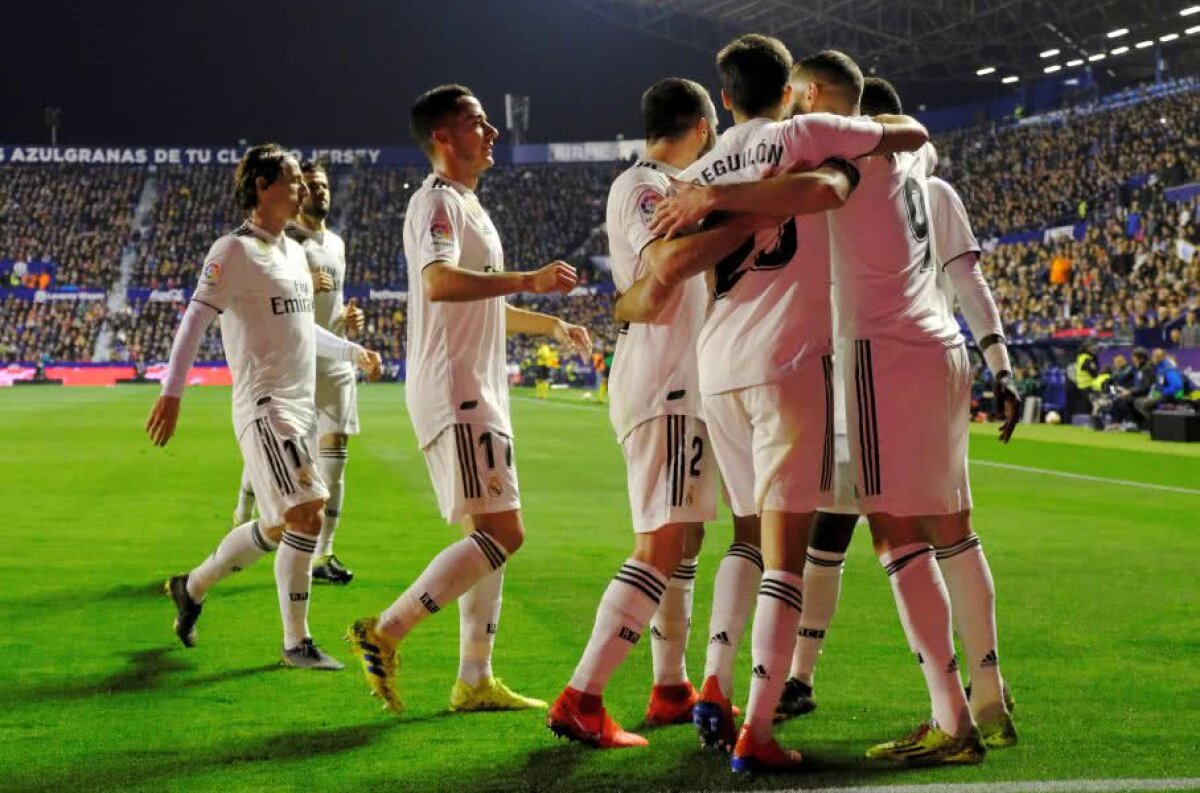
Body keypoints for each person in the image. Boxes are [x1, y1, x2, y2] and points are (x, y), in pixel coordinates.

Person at [634, 36, 930, 772]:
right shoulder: (804, 138)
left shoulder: (695, 172)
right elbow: (888, 146)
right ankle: (757, 729)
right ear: (791, 90)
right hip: (789, 360)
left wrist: (718, 210)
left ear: (724, 99)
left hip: (717, 366)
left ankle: (716, 680)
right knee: (783, 555)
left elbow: (663, 269)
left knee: (745, 535)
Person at [549, 77, 784, 749]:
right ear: (705, 127)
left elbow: (650, 290)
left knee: (685, 541)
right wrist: (752, 217)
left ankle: (671, 685)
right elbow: (670, 264)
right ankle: (582, 697)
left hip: (687, 383)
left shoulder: (673, 184)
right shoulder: (645, 184)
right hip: (669, 387)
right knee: (659, 544)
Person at [344, 85, 592, 716]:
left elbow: (487, 302)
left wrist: (549, 322)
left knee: (488, 532)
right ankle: (386, 630)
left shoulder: (470, 206)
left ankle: (475, 679)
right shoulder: (434, 202)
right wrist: (531, 277)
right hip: (457, 388)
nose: (492, 133)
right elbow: (441, 282)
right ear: (442, 138)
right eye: (477, 123)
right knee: (505, 533)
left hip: (477, 389)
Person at [147, 143, 382, 669]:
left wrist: (352, 350)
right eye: (293, 179)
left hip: (299, 408)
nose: (301, 188)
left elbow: (306, 330)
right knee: (308, 512)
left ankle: (193, 586)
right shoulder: (231, 252)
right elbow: (193, 323)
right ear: (262, 186)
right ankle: (295, 643)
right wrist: (171, 392)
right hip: (264, 406)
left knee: (280, 527)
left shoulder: (295, 253)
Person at [233, 160, 365, 585]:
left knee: (336, 461)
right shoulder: (283, 243)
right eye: (310, 185)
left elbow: (331, 307)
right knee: (283, 452)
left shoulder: (338, 244)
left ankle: (324, 553)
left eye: (324, 185)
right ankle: (242, 515)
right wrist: (302, 281)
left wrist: (348, 321)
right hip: (296, 364)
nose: (319, 191)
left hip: (335, 362)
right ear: (298, 192)